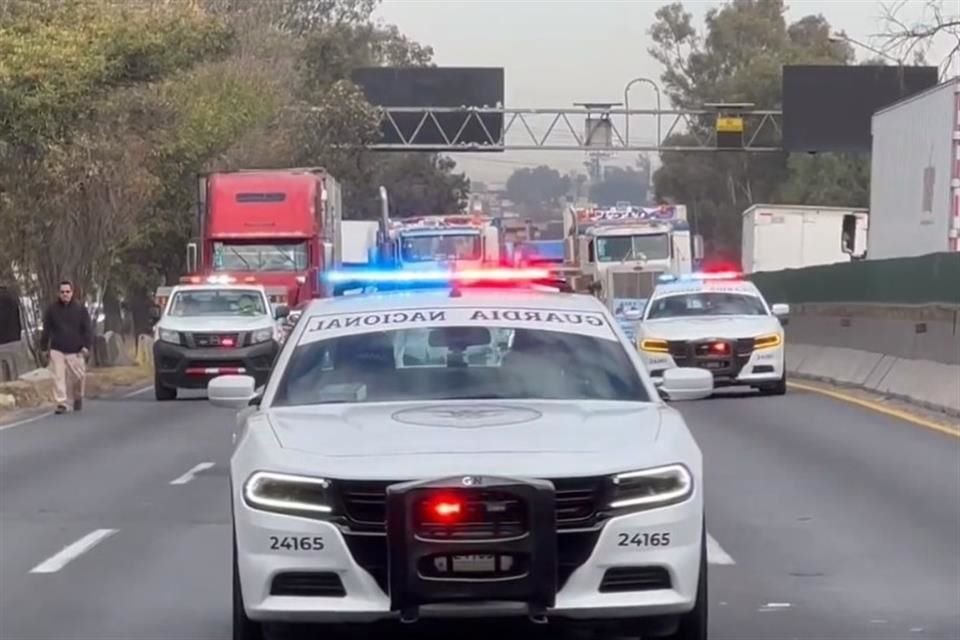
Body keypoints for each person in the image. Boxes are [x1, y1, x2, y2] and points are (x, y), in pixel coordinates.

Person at [40, 280, 92, 414]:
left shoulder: (80, 309)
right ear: (58, 293)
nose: (65, 294)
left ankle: (78, 397)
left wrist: (86, 347)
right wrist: (44, 347)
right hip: (57, 349)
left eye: (67, 292)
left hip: (76, 350)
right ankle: (61, 402)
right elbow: (46, 329)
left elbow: (87, 330)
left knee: (78, 377)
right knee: (58, 376)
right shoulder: (52, 310)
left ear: (72, 292)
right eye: (62, 292)